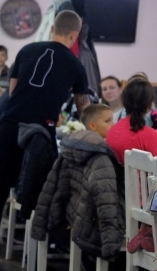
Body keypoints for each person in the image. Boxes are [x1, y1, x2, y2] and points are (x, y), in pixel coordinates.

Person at [0, 10, 89, 271]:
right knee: (42, 192)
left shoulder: (26, 50)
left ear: (52, 27)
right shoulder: (76, 65)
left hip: (10, 125)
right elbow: (83, 107)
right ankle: (36, 259)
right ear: (75, 35)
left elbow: (13, 92)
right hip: (40, 133)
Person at [32, 103, 123, 262]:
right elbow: (106, 201)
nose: (113, 125)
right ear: (93, 126)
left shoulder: (73, 143)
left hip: (73, 210)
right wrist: (110, 246)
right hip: (89, 219)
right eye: (108, 121)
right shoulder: (100, 154)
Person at [106, 78, 157, 164]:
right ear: (149, 105)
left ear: (124, 102)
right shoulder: (150, 136)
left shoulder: (112, 130)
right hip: (144, 177)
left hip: (117, 177)